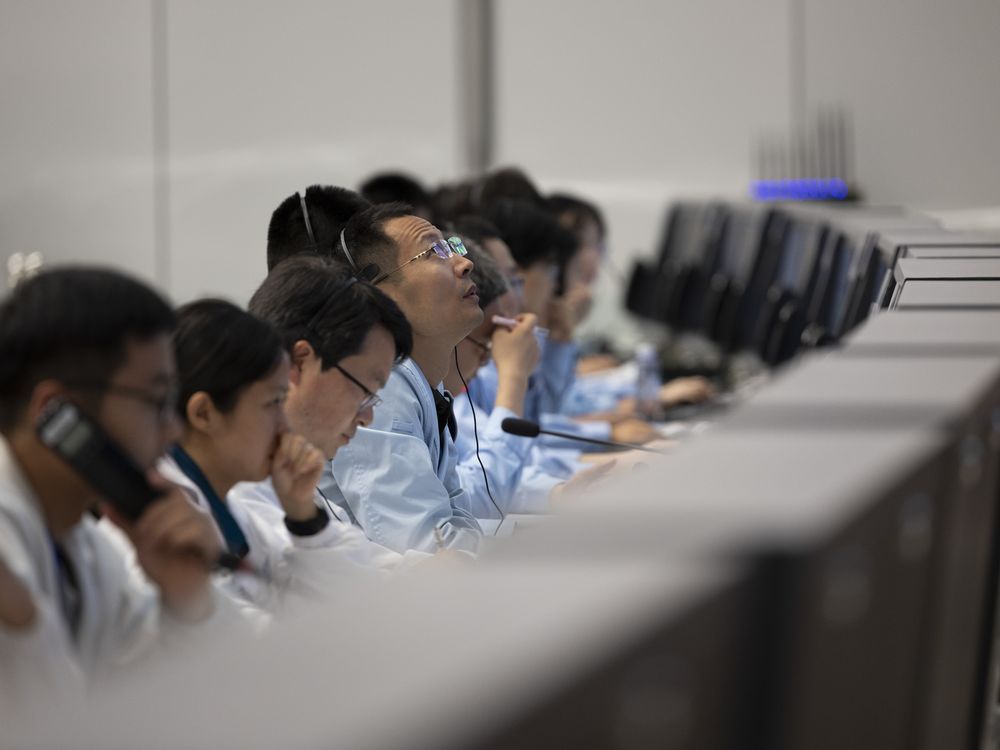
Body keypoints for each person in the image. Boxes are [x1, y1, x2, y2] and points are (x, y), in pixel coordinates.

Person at [0, 268, 233, 708]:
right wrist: (23, 628)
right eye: (157, 402)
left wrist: (187, 600)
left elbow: (149, 707)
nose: (172, 430)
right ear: (56, 411)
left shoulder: (81, 544)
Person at [163, 296, 422, 616]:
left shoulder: (234, 514)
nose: (285, 424)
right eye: (274, 403)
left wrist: (306, 521)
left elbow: (319, 608)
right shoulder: (163, 525)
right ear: (204, 413)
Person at [303, 200, 485, 554]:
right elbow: (427, 549)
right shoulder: (381, 388)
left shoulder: (419, 383)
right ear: (381, 294)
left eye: (452, 246)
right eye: (434, 253)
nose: (464, 263)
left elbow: (455, 521)